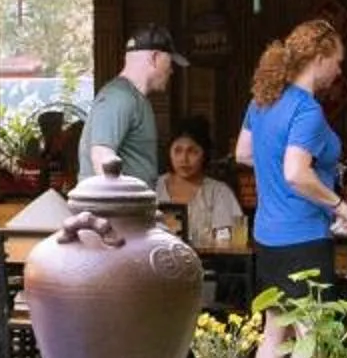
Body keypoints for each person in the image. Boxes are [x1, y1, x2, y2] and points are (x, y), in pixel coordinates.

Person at [236, 20, 347, 358]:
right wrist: (339, 205)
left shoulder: (263, 101)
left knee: (274, 330)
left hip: (267, 234)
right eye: (337, 61)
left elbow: (243, 153)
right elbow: (296, 171)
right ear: (319, 59)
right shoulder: (307, 109)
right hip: (304, 234)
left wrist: (273, 173)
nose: (339, 70)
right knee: (308, 331)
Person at [80, 25, 187, 188]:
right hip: (113, 211)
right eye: (170, 61)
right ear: (154, 57)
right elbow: (102, 155)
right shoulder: (118, 97)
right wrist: (121, 208)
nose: (171, 70)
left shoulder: (135, 98)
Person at [158, 119, 246, 245]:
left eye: (192, 151)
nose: (184, 159)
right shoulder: (153, 187)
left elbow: (229, 237)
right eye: (178, 151)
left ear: (204, 154)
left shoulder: (218, 192)